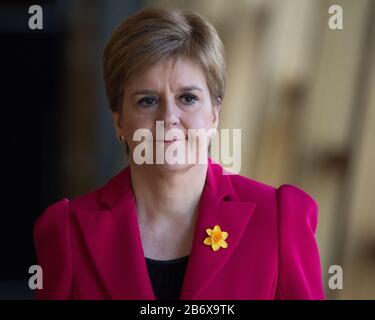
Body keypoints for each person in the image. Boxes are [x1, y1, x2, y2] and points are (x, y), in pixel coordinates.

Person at [33, 7, 325, 300]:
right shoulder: (68, 230)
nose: (168, 118)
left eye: (188, 98)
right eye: (147, 101)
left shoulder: (279, 220)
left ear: (214, 114)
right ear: (119, 120)